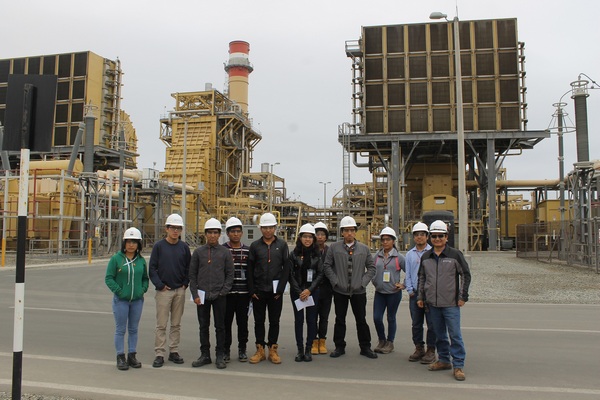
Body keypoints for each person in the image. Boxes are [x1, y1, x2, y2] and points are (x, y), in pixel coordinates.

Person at [417, 220, 471, 381]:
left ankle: (459, 365)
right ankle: (444, 360)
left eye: (440, 236)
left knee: (455, 335)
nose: (437, 239)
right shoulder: (426, 256)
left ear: (446, 237)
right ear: (430, 237)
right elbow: (422, 277)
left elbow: (466, 275)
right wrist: (421, 297)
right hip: (432, 304)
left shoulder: (455, 255)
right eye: (434, 236)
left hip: (451, 303)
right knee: (439, 334)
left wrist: (463, 296)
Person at [323, 215, 378, 359]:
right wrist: (335, 281)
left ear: (355, 232)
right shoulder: (334, 248)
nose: (349, 233)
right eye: (346, 230)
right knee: (340, 319)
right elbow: (327, 266)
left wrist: (363, 282)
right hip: (340, 291)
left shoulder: (364, 249)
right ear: (342, 232)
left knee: (361, 319)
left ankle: (365, 347)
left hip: (358, 292)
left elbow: (371, 268)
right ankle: (339, 346)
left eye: (352, 230)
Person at [189, 218, 234, 369]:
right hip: (202, 296)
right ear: (205, 234)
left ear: (219, 234)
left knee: (220, 326)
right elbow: (192, 275)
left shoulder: (225, 252)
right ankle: (205, 355)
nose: (213, 235)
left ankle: (219, 355)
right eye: (210, 232)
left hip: (220, 296)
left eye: (215, 232)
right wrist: (195, 294)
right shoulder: (198, 252)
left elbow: (230, 275)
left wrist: (223, 292)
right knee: (203, 326)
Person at [247, 212, 291, 364]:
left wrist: (281, 289)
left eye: (270, 227)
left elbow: (286, 268)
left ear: (275, 228)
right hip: (259, 291)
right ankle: (260, 350)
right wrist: (252, 290)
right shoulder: (255, 246)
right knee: (259, 321)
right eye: (265, 227)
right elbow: (250, 269)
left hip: (275, 293)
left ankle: (273, 349)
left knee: (274, 321)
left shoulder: (282, 245)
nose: (267, 230)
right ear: (260, 229)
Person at [149, 213, 191, 368]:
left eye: (178, 228)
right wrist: (159, 285)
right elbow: (152, 268)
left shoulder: (184, 247)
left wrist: (185, 284)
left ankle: (173, 351)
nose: (175, 231)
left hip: (179, 290)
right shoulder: (159, 247)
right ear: (166, 228)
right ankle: (159, 353)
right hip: (164, 291)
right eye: (173, 228)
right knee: (161, 324)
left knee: (176, 324)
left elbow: (189, 267)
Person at [105, 227, 149, 371]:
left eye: (134, 242)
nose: (131, 245)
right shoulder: (116, 259)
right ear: (124, 243)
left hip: (137, 300)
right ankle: (120, 356)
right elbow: (109, 278)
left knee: (134, 329)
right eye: (129, 242)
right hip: (121, 301)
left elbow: (145, 279)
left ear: (138, 244)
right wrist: (119, 291)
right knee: (120, 329)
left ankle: (132, 355)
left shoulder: (141, 261)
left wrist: (142, 290)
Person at [289, 223, 324, 362]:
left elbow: (320, 274)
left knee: (311, 320)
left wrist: (309, 290)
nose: (307, 239)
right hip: (297, 293)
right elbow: (290, 275)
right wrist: (299, 291)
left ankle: (308, 348)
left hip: (312, 292)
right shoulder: (293, 254)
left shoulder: (317, 255)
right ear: (300, 238)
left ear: (313, 239)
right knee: (299, 321)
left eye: (310, 237)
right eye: (305, 237)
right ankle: (300, 350)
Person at [405, 222, 437, 364]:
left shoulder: (432, 252)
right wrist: (410, 290)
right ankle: (419, 348)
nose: (419, 237)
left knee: (432, 323)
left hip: (429, 295)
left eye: (422, 235)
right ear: (413, 237)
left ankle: (431, 350)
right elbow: (408, 274)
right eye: (417, 235)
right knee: (416, 323)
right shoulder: (410, 254)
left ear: (427, 236)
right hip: (415, 293)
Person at [371, 227, 405, 354]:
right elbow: (372, 269)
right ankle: (381, 340)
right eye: (383, 239)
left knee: (391, 318)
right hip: (379, 293)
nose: (385, 242)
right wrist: (374, 281)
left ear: (393, 241)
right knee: (377, 318)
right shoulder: (377, 256)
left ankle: (390, 342)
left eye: (388, 239)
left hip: (393, 294)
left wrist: (404, 284)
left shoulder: (399, 257)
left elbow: (410, 272)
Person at [222, 217, 250, 362]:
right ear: (227, 233)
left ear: (242, 233)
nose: (235, 234)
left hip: (244, 294)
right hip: (227, 294)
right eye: (232, 231)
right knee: (226, 323)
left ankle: (242, 349)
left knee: (242, 323)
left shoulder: (247, 250)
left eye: (238, 231)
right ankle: (226, 350)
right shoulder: (222, 250)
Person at [312, 221, 332, 355]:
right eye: (317, 234)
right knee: (312, 317)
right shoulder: (309, 250)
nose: (319, 237)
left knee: (324, 317)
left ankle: (322, 341)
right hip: (312, 289)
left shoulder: (330, 251)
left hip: (327, 289)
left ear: (326, 237)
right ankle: (314, 341)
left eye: (322, 234)